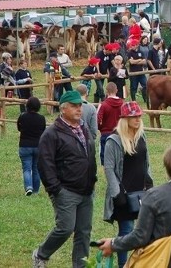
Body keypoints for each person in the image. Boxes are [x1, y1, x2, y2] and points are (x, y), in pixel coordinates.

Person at [34, 91, 97, 268]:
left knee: (84, 232)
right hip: (66, 190)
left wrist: (92, 179)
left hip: (86, 189)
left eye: (80, 106)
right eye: (74, 106)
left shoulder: (84, 128)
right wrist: (56, 189)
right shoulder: (52, 133)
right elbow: (45, 164)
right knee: (65, 228)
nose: (79, 109)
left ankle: (80, 265)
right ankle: (41, 254)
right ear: (63, 109)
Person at [103, 101, 154, 268]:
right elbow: (109, 168)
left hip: (141, 192)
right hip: (123, 195)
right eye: (133, 116)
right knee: (127, 232)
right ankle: (124, 265)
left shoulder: (141, 136)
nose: (137, 119)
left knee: (143, 232)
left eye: (139, 116)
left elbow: (146, 162)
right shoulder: (114, 140)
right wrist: (116, 193)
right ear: (125, 118)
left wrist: (149, 180)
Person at [17, 97, 46, 196]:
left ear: (27, 105)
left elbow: (19, 128)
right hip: (38, 145)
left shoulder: (22, 116)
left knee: (26, 168)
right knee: (36, 169)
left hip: (25, 145)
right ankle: (36, 191)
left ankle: (28, 187)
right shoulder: (41, 118)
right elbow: (43, 131)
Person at [98, 82, 124, 165]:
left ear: (107, 91)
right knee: (120, 159)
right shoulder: (122, 104)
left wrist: (101, 128)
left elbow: (98, 120)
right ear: (116, 90)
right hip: (120, 134)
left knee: (106, 161)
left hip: (106, 134)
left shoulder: (103, 105)